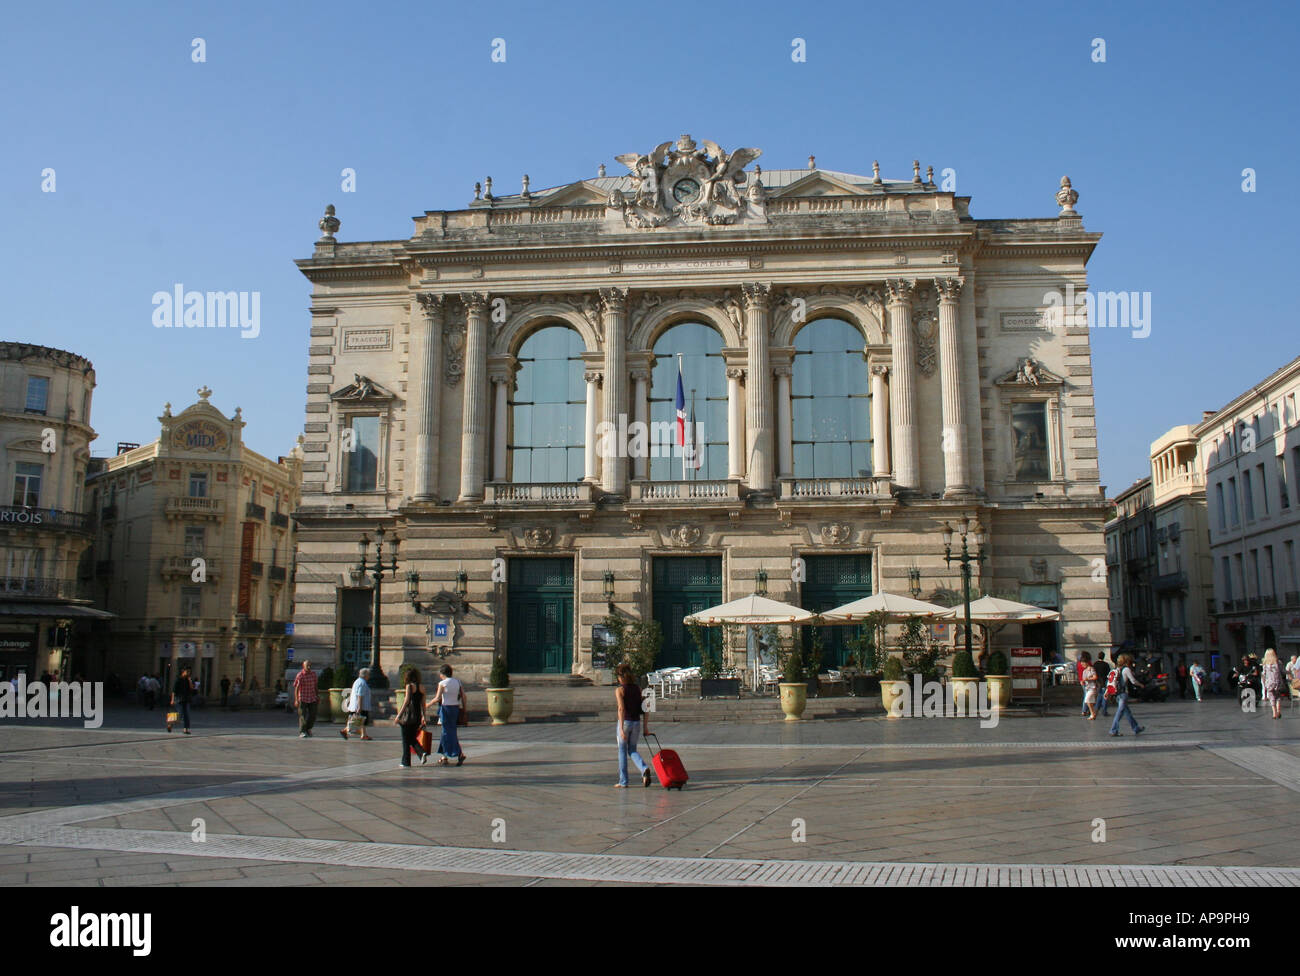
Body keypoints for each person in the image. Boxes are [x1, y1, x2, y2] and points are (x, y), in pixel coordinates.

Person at [614, 663, 653, 787]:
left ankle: (623, 781)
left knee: (622, 751)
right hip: (636, 723)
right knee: (632, 750)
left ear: (620, 677)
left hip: (625, 722)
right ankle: (644, 768)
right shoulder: (638, 689)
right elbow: (646, 707)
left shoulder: (620, 690)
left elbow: (621, 709)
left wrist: (620, 729)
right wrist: (645, 727)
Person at [429, 664, 467, 766]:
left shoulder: (442, 683)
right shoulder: (457, 682)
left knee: (447, 732)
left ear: (442, 674)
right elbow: (464, 696)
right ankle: (444, 756)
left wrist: (428, 704)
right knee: (448, 731)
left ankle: (459, 753)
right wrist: (464, 708)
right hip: (455, 708)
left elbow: (437, 698)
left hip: (446, 708)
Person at [394, 670, 429, 768]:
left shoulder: (409, 686)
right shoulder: (422, 687)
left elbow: (406, 702)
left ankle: (406, 761)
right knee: (412, 738)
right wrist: (424, 717)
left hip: (408, 715)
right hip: (417, 716)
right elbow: (423, 704)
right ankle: (421, 752)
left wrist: (398, 716)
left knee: (406, 739)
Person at [1108, 653, 1145, 737]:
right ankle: (1113, 730)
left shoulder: (1116, 669)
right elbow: (1133, 681)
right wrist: (1140, 685)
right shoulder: (1126, 669)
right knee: (1119, 713)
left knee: (1127, 712)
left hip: (1117, 694)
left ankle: (1136, 728)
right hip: (1123, 694)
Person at [341, 668, 373, 740]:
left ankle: (363, 735)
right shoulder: (362, 683)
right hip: (360, 706)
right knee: (358, 721)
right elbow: (360, 695)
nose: (369, 676)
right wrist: (359, 707)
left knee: (360, 721)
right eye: (368, 674)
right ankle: (345, 731)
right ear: (365, 675)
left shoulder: (358, 681)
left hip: (355, 706)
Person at [292, 660, 319, 738]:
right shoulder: (300, 675)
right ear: (303, 666)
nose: (309, 667)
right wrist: (296, 700)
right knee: (302, 715)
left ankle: (308, 728)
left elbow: (315, 686)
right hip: (302, 698)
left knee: (313, 714)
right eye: (307, 666)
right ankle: (302, 731)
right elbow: (296, 688)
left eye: (310, 666)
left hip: (312, 697)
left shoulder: (313, 674)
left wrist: (317, 695)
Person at [169, 668, 195, 734]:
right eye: (187, 672)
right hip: (178, 699)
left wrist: (190, 681)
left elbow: (192, 688)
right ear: (183, 672)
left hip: (186, 699)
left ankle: (185, 729)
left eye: (189, 672)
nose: (188, 673)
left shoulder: (188, 680)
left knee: (187, 714)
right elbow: (174, 691)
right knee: (179, 714)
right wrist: (172, 700)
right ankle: (170, 724)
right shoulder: (178, 679)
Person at [1262, 648, 1284, 720]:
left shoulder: (1265, 663)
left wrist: (1264, 682)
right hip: (1278, 682)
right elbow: (1282, 671)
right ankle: (1278, 711)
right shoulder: (1278, 662)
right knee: (1278, 697)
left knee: (1272, 697)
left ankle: (1274, 713)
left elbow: (1264, 674)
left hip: (1269, 683)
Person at [1093, 652, 1111, 717]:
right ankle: (1104, 711)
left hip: (1097, 681)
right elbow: (1108, 674)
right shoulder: (1106, 664)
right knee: (1105, 696)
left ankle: (1096, 709)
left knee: (1099, 696)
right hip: (1104, 681)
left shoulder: (1095, 664)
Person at [1076, 651, 1092, 717]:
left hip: (1081, 680)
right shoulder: (1087, 663)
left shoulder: (1079, 663)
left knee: (1086, 694)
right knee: (1087, 695)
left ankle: (1086, 710)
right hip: (1087, 680)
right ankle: (1084, 710)